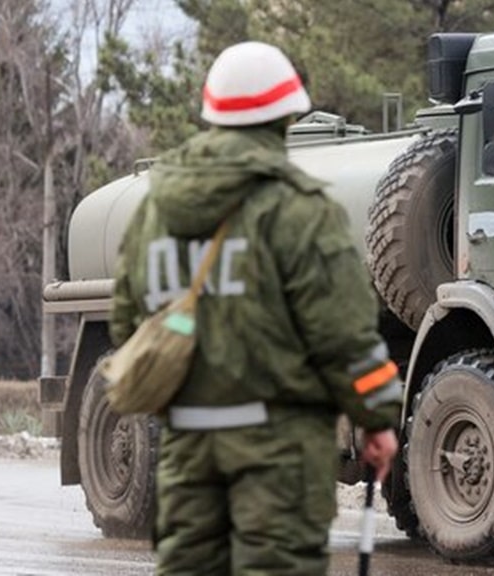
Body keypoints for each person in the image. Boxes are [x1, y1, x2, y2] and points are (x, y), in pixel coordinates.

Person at [109, 41, 400, 575]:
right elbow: (344, 337)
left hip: (186, 451)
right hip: (279, 458)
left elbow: (129, 325)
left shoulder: (154, 210)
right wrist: (378, 418)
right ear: (283, 118)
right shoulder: (300, 211)